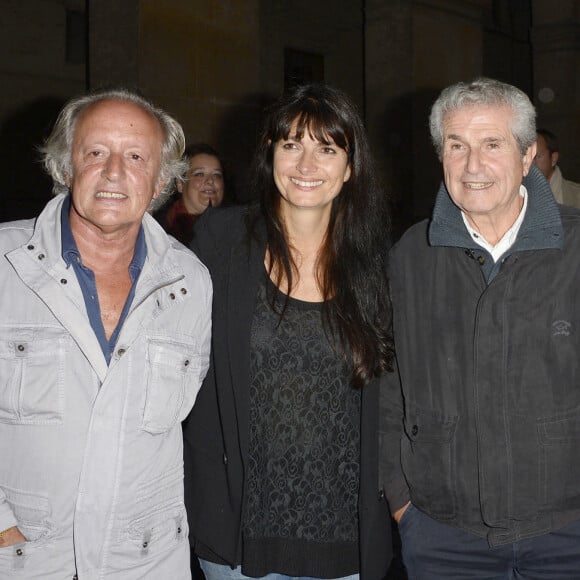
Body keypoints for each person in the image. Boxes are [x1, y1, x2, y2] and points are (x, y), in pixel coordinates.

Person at [183, 83, 394, 580]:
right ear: (270, 153)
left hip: (345, 541)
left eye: (327, 148)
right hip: (237, 535)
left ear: (350, 167)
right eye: (291, 144)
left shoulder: (378, 266)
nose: (305, 165)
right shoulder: (220, 243)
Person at [0, 88, 212, 578]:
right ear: (64, 167)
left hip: (144, 563)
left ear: (161, 181)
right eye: (95, 153)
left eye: (136, 157)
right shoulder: (5, 266)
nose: (114, 172)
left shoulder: (193, 283)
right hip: (25, 561)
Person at [380, 76, 580, 579]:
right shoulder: (411, 256)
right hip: (445, 539)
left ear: (528, 154)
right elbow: (386, 386)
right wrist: (404, 507)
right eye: (457, 146)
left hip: (567, 533)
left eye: (492, 144)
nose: (473, 166)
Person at [154, 143, 229, 245]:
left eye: (217, 175)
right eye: (199, 174)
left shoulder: (237, 227)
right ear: (180, 184)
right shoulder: (157, 230)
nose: (210, 181)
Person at [533, 128, 580, 207]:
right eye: (525, 157)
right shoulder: (516, 196)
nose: (529, 163)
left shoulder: (576, 197)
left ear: (553, 159)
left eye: (536, 157)